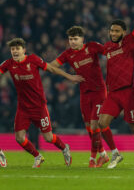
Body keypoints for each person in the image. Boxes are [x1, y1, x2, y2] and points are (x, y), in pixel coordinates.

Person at [0, 38, 84, 168]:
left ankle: (65, 148)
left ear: (24, 50)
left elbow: (52, 69)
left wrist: (69, 77)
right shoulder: (8, 64)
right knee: (19, 137)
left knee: (48, 138)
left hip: (39, 106)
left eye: (17, 48)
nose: (15, 51)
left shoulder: (33, 60)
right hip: (23, 107)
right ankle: (37, 156)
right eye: (13, 49)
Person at [50, 26, 111, 168]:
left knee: (95, 126)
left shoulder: (92, 47)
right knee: (89, 128)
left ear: (82, 39)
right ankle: (103, 155)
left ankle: (92, 159)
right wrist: (69, 76)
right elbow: (50, 66)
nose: (72, 42)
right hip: (84, 93)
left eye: (75, 39)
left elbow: (109, 53)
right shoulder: (68, 54)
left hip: (99, 92)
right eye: (70, 39)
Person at [98, 0, 134, 169]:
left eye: (117, 31)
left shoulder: (130, 41)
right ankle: (115, 154)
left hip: (128, 92)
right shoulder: (107, 47)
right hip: (112, 93)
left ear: (124, 32)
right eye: (111, 31)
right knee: (102, 123)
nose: (113, 33)